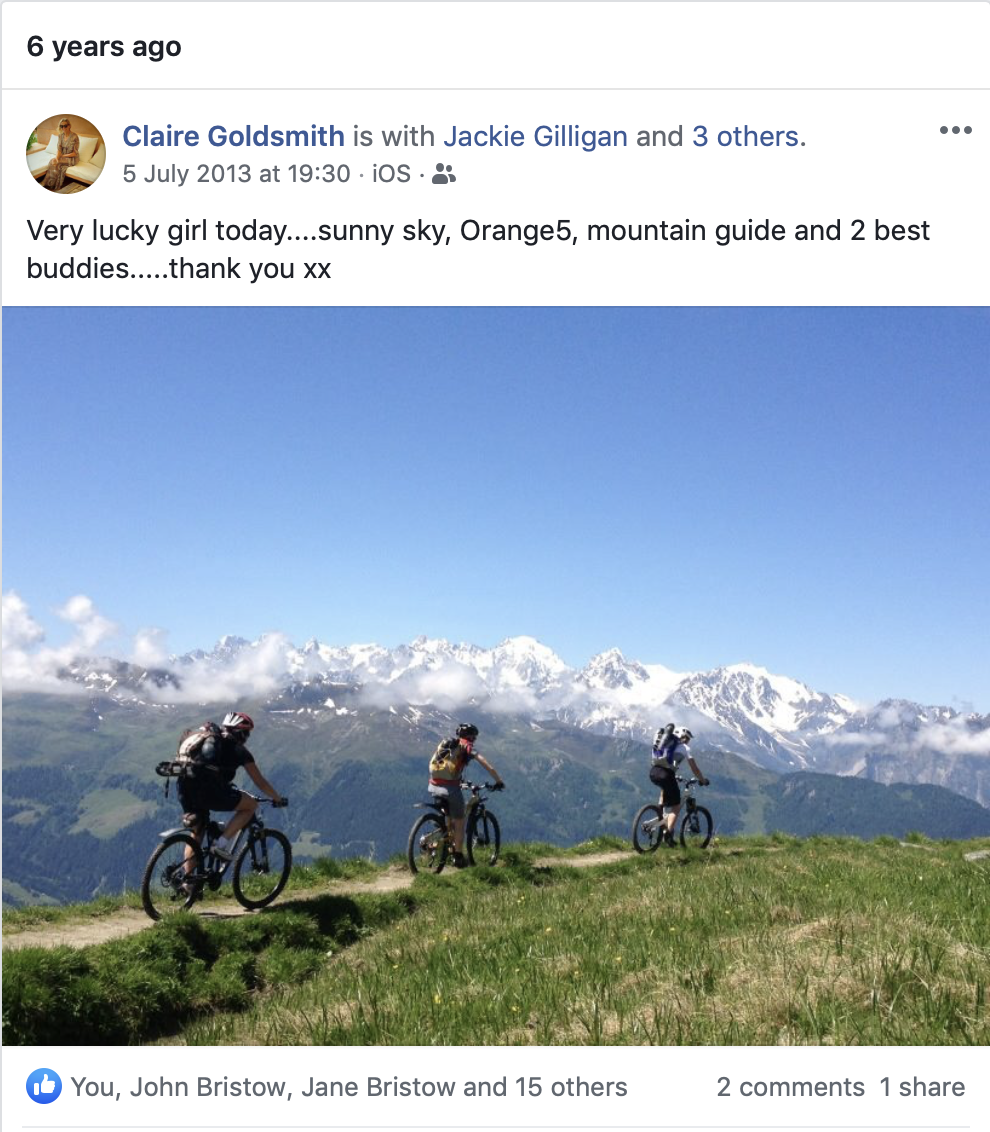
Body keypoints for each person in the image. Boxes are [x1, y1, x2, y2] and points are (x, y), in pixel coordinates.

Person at [177, 711, 286, 863]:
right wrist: (278, 799)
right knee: (250, 806)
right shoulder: (238, 750)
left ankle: (188, 882)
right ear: (240, 732)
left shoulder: (207, 739)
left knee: (198, 831)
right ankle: (220, 845)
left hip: (184, 786)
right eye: (246, 733)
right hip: (208, 791)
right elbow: (260, 782)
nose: (247, 738)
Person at [428, 722, 504, 867]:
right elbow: (487, 764)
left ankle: (441, 844)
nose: (474, 741)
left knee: (449, 820)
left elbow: (446, 764)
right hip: (449, 788)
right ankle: (458, 857)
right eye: (474, 738)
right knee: (460, 821)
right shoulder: (467, 747)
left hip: (433, 785)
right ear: (470, 737)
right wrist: (499, 781)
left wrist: (458, 781)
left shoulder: (447, 743)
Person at [650, 725, 710, 846]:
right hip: (666, 774)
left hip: (653, 772)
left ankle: (660, 816)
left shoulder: (665, 744)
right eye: (687, 738)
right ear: (683, 737)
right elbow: (695, 769)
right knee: (676, 805)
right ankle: (668, 834)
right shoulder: (684, 747)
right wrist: (703, 780)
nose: (688, 741)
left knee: (665, 789)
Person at [42, 118, 79, 191]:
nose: (63, 128)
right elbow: (59, 149)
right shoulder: (60, 136)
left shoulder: (75, 136)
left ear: (69, 126)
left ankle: (47, 183)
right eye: (61, 126)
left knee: (56, 162)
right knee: (53, 161)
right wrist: (56, 158)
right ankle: (51, 183)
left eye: (65, 126)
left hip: (72, 158)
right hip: (63, 157)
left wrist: (62, 156)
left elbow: (74, 153)